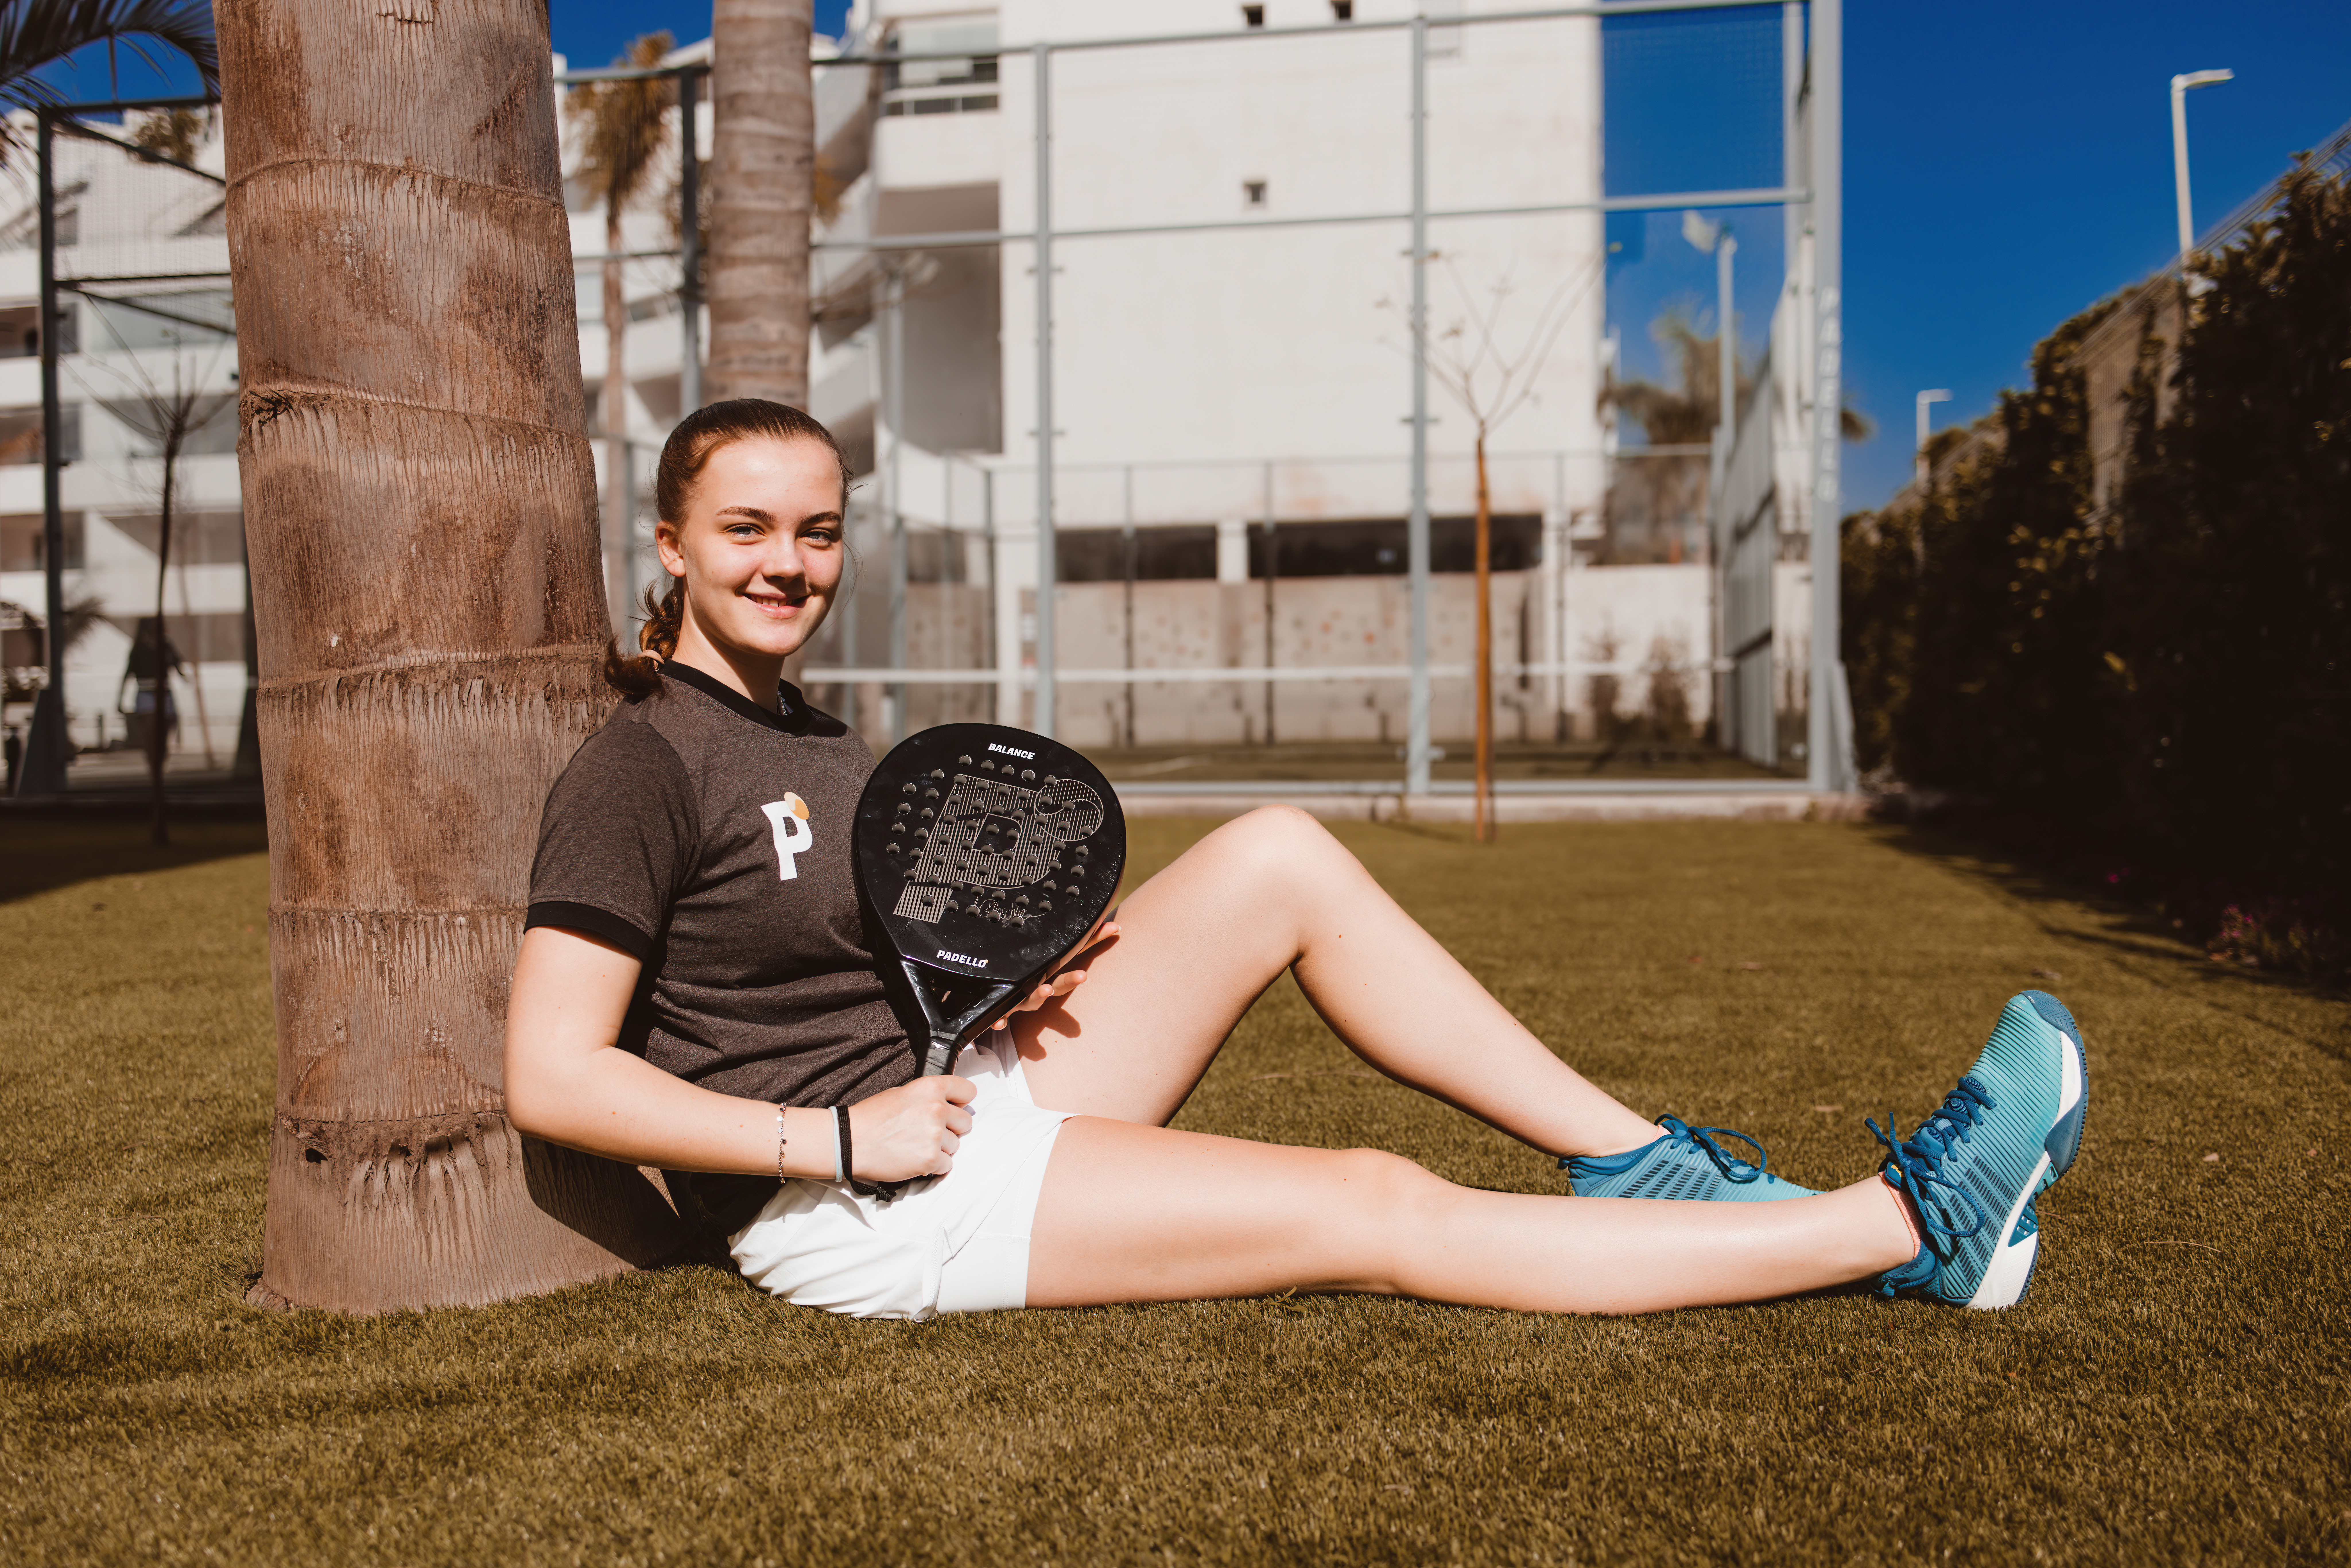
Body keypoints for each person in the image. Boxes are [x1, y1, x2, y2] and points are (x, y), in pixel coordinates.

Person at [505, 399, 2089, 1322]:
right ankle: (1907, 1231)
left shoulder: (826, 736)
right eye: (749, 531)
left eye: (821, 530)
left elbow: (858, 963)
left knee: (1277, 852)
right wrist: (835, 1147)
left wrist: (1008, 975)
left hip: (954, 1082)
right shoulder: (640, 764)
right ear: (670, 545)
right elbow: (555, 1073)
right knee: (1370, 1199)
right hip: (856, 1209)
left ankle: (1639, 1158)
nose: (790, 562)